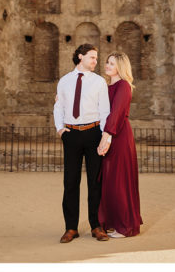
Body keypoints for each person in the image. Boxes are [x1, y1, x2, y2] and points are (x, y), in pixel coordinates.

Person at [53, 43, 111, 243]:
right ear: (80, 57)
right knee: (70, 182)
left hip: (94, 133)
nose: (96, 61)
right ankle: (71, 228)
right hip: (71, 135)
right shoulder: (64, 81)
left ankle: (96, 226)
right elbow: (59, 106)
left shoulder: (99, 82)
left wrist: (104, 136)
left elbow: (105, 111)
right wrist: (60, 129)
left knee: (95, 182)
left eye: (96, 58)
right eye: (92, 57)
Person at [96, 52, 143, 238]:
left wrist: (106, 137)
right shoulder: (108, 86)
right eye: (107, 62)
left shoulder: (123, 86)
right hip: (109, 134)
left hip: (119, 136)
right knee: (109, 180)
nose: (107, 66)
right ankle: (111, 221)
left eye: (112, 63)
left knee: (119, 181)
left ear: (120, 67)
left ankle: (125, 226)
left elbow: (116, 114)